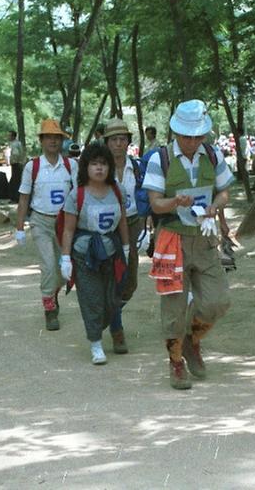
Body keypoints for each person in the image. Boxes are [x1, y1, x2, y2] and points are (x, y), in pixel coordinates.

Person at [144, 99, 234, 390]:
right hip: (172, 239)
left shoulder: (213, 154)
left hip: (205, 237)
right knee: (174, 306)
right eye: (187, 136)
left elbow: (224, 193)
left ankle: (193, 340)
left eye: (197, 136)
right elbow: (155, 205)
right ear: (176, 133)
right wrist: (174, 201)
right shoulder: (160, 159)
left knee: (217, 300)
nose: (193, 141)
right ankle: (176, 361)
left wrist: (215, 207)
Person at [59, 143, 130, 365]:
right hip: (84, 256)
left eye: (103, 164)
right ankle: (96, 344)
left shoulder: (118, 191)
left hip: (111, 253)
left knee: (112, 300)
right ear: (86, 167)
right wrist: (65, 258)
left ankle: (103, 327)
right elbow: (69, 229)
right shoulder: (76, 195)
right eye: (94, 164)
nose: (99, 168)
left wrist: (126, 248)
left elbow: (123, 222)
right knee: (92, 299)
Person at [15, 119, 79, 330]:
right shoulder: (32, 167)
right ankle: (49, 308)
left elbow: (80, 196)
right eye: (48, 137)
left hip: (65, 224)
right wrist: (19, 229)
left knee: (64, 270)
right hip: (40, 222)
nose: (53, 141)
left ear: (62, 141)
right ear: (41, 140)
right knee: (48, 266)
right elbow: (24, 198)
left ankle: (53, 294)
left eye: (57, 137)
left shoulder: (71, 166)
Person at [103, 118, 148, 354]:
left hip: (132, 224)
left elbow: (148, 197)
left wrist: (146, 225)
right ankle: (116, 330)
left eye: (123, 139)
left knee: (130, 282)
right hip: (108, 226)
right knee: (113, 279)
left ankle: (110, 312)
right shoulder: (100, 168)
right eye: (114, 139)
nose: (119, 144)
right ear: (107, 142)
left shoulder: (138, 167)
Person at [8, 130, 26, 204]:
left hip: (16, 164)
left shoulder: (15, 144)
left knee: (15, 181)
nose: (8, 137)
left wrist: (14, 160)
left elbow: (16, 153)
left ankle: (15, 198)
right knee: (15, 180)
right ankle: (15, 197)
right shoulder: (15, 143)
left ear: (13, 136)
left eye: (9, 135)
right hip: (16, 164)